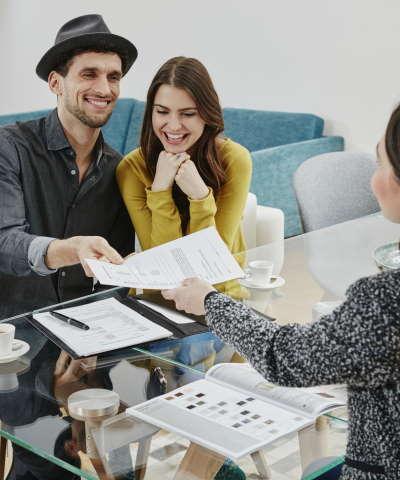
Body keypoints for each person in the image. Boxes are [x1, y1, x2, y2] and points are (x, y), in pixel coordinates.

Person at [162, 105, 400, 479]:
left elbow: (286, 356)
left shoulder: (385, 301)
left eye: (381, 165)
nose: (374, 181)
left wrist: (210, 302)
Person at [0, 14, 137, 319]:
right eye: (89, 74)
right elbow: (4, 242)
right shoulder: (9, 147)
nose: (104, 89)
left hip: (83, 332)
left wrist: (99, 331)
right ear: (55, 83)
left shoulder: (120, 169)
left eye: (113, 77)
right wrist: (72, 249)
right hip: (12, 334)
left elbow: (112, 277)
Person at [116, 56, 252, 297]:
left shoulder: (235, 159)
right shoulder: (132, 169)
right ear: (151, 114)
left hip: (221, 302)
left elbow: (212, 272)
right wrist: (160, 190)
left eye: (188, 113)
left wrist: (200, 196)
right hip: (158, 304)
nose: (174, 125)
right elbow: (163, 270)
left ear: (206, 114)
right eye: (162, 112)